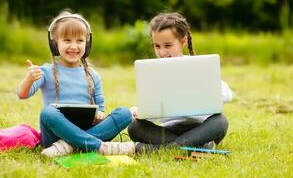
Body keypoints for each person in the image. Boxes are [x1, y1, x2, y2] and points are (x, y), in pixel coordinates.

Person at [17, 10, 135, 157]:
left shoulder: (93, 75)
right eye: (67, 40)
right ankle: (99, 146)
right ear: (55, 44)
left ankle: (69, 146)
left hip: (86, 129)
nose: (74, 46)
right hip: (54, 136)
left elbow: (101, 110)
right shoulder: (46, 71)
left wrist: (100, 115)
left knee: (124, 113)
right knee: (48, 112)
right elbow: (22, 94)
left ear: (87, 44)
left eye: (79, 41)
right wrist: (29, 79)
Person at [128, 12, 233, 153]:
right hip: (168, 130)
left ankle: (160, 150)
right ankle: (197, 147)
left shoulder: (197, 66)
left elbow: (227, 94)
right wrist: (140, 110)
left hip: (199, 128)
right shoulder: (154, 71)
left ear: (183, 41)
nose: (162, 52)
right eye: (157, 46)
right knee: (134, 127)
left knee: (220, 122)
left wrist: (203, 88)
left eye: (168, 45)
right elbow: (152, 112)